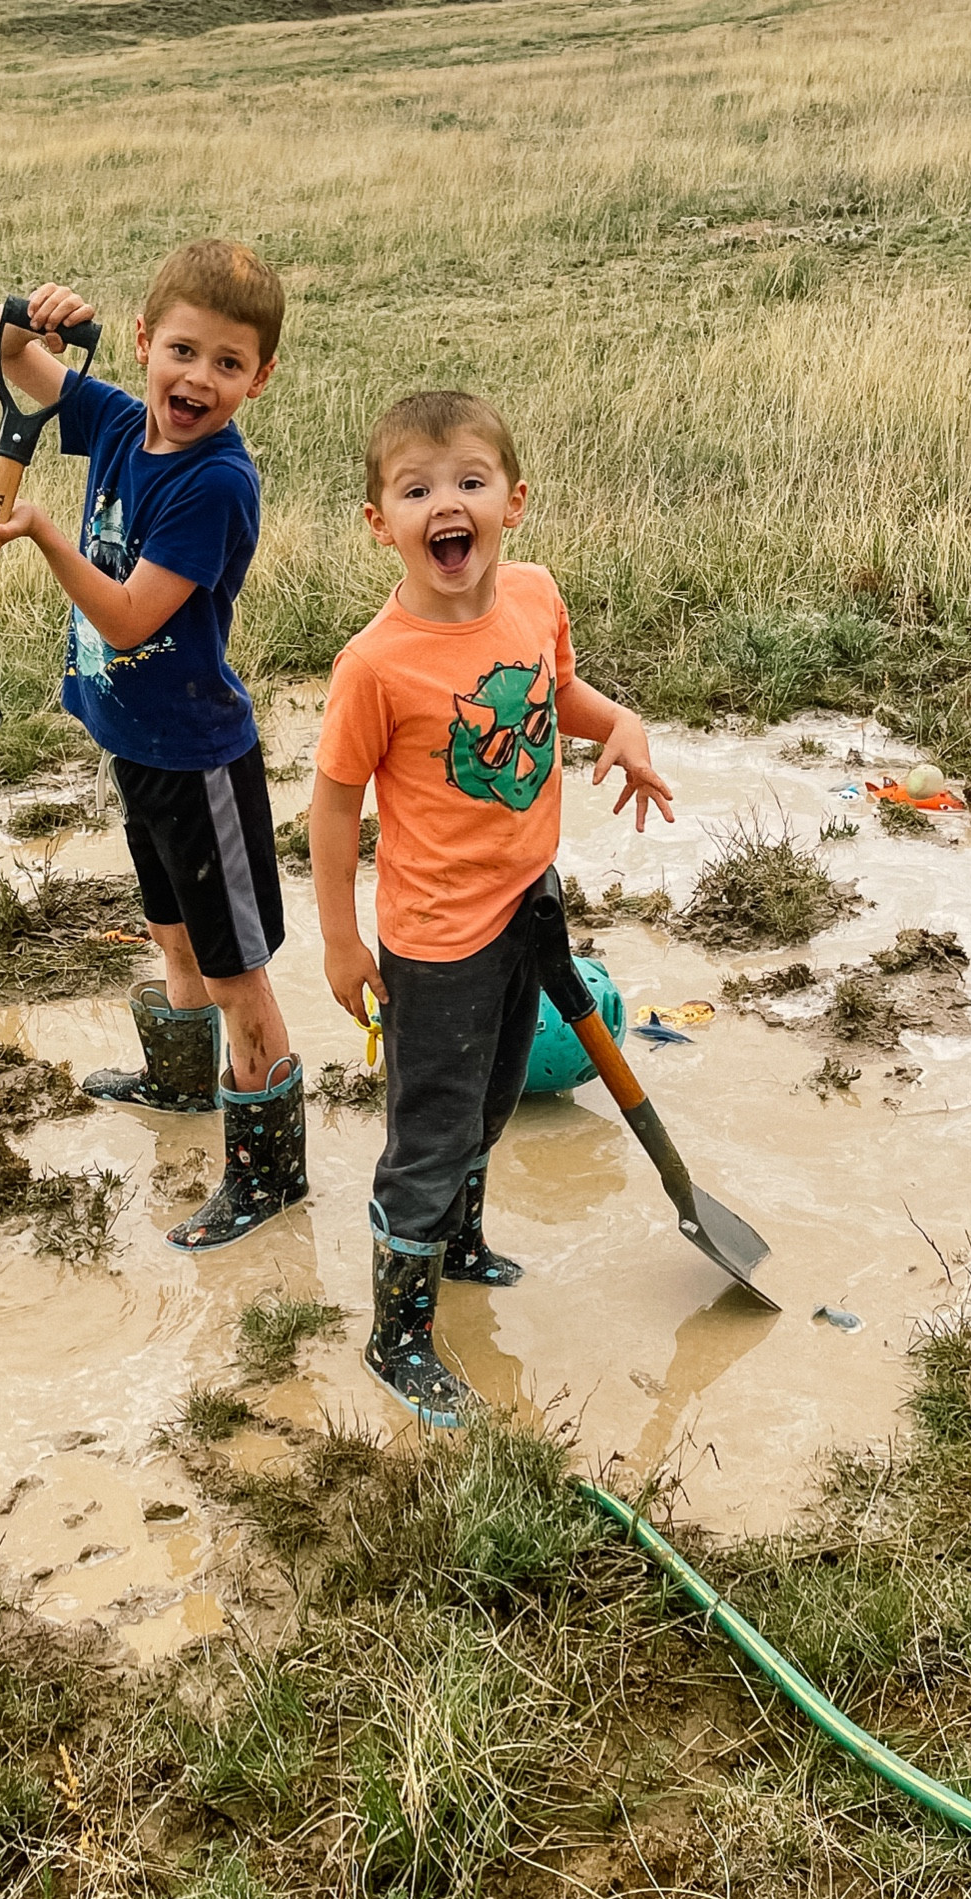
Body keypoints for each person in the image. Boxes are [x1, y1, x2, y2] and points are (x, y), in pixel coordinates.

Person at [309, 390, 674, 1425]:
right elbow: (334, 809)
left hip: (529, 901)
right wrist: (341, 937)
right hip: (435, 943)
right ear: (380, 521)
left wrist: (626, 725)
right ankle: (398, 1336)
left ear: (514, 501)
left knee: (498, 1100)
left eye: (468, 482)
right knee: (428, 1134)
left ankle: (459, 1246)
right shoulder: (375, 666)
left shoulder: (534, 596)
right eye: (416, 489)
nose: (445, 505)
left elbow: (559, 693)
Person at [0, 241, 305, 1251]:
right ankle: (182, 1082)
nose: (199, 379)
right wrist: (34, 311)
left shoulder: (216, 485)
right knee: (171, 929)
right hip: (136, 742)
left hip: (200, 757)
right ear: (146, 343)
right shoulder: (112, 419)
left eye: (229, 363)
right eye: (183, 350)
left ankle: (268, 1173)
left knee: (239, 969)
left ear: (260, 378)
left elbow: (125, 620)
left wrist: (40, 532)